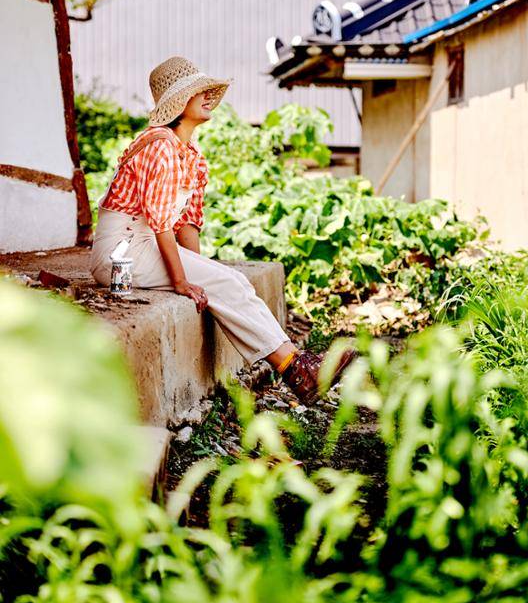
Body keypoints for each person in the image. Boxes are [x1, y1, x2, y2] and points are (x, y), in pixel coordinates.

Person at [89, 56, 355, 403]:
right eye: (198, 91)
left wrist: (201, 273)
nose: (208, 97)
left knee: (232, 280)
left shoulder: (192, 156)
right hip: (120, 251)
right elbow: (159, 224)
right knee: (227, 280)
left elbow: (186, 223)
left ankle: (297, 366)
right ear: (178, 103)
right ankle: (297, 372)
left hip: (147, 244)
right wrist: (183, 280)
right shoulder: (159, 147)